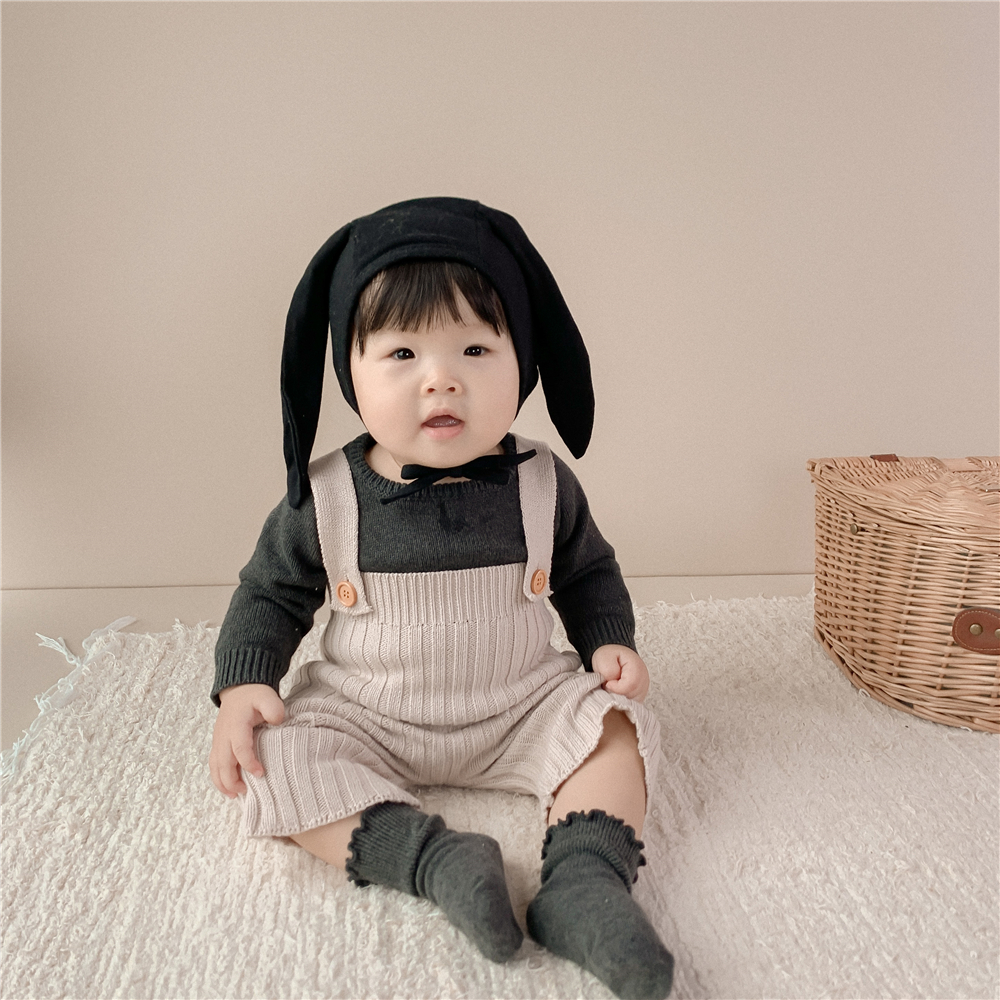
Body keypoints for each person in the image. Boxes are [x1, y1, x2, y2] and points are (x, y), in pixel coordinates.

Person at [208, 197, 674, 1000]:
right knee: (270, 762)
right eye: (401, 352)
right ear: (350, 372)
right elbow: (269, 593)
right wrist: (244, 683)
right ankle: (433, 859)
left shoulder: (542, 483)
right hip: (368, 712)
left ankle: (583, 881)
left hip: (519, 702)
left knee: (617, 727)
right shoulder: (328, 497)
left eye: (475, 348)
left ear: (524, 363)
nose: (441, 378)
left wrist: (608, 640)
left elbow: (588, 569)